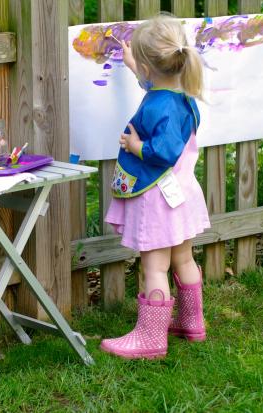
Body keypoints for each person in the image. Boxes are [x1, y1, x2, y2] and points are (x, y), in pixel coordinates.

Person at [100, 15, 211, 359]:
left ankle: (151, 338)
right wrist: (135, 64)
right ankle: (192, 323)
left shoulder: (159, 104)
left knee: (155, 267)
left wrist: (135, 147)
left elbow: (163, 151)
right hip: (183, 194)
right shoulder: (182, 95)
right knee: (183, 259)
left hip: (158, 197)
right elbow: (154, 88)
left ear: (151, 68)